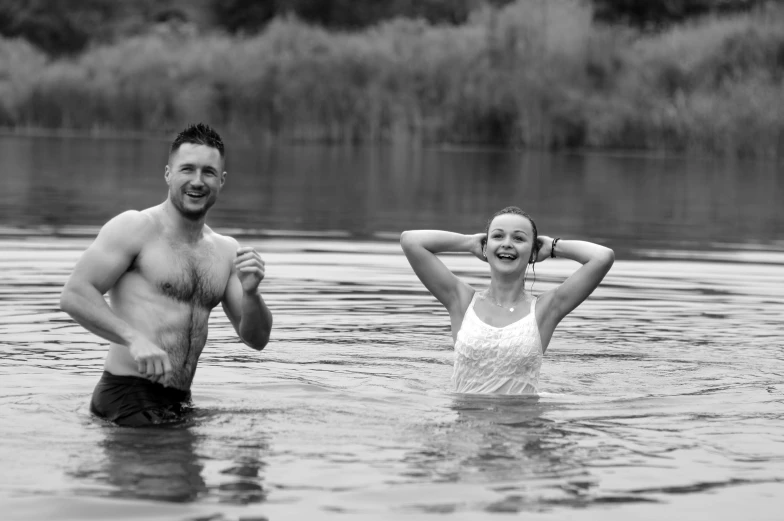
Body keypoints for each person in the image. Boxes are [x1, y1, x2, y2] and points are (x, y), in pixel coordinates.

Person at [60, 123, 273, 426]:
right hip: (127, 396)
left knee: (247, 451)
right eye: (187, 169)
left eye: (208, 172)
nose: (197, 181)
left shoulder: (226, 251)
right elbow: (74, 294)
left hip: (179, 401)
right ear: (168, 174)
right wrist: (133, 339)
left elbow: (257, 339)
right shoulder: (135, 228)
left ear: (221, 181)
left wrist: (252, 294)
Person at [400, 206, 614, 394]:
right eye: (498, 236)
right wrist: (469, 243)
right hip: (466, 434)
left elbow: (602, 257)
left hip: (520, 431)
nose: (507, 244)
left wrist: (553, 246)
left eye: (519, 238)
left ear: (533, 253)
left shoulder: (546, 310)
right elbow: (411, 241)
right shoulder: (461, 301)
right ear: (486, 247)